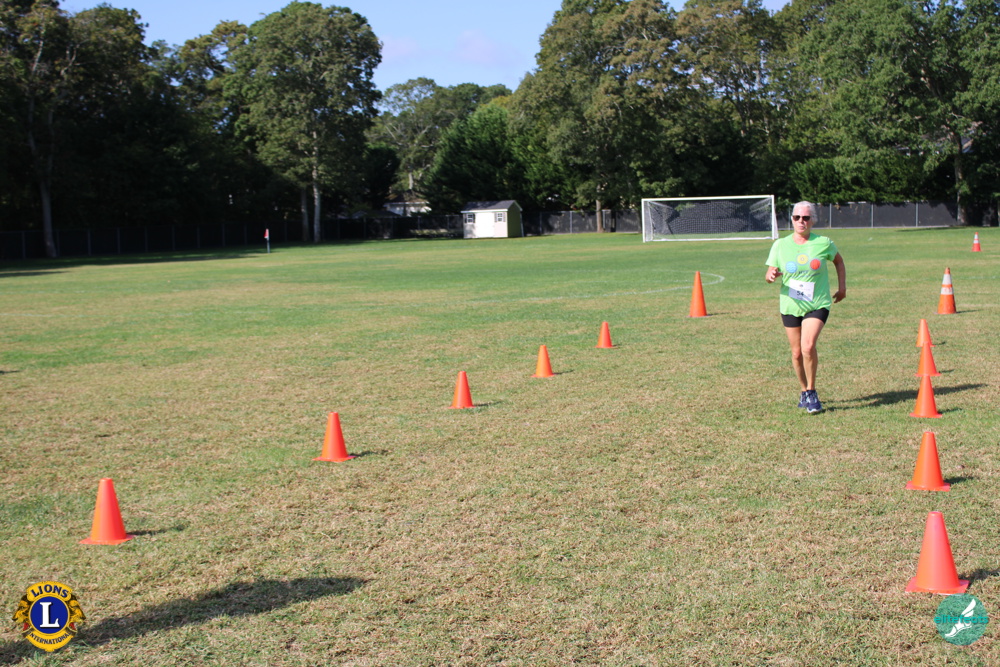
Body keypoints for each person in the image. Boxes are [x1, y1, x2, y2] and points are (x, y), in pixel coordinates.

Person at [764, 201, 846, 413]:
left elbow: (838, 262)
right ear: (792, 219)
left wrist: (842, 288)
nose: (801, 221)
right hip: (790, 304)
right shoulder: (780, 245)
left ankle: (811, 391)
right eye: (797, 217)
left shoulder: (823, 243)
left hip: (817, 303)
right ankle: (803, 390)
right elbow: (770, 272)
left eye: (806, 218)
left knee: (808, 347)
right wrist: (771, 276)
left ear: (813, 220)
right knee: (796, 353)